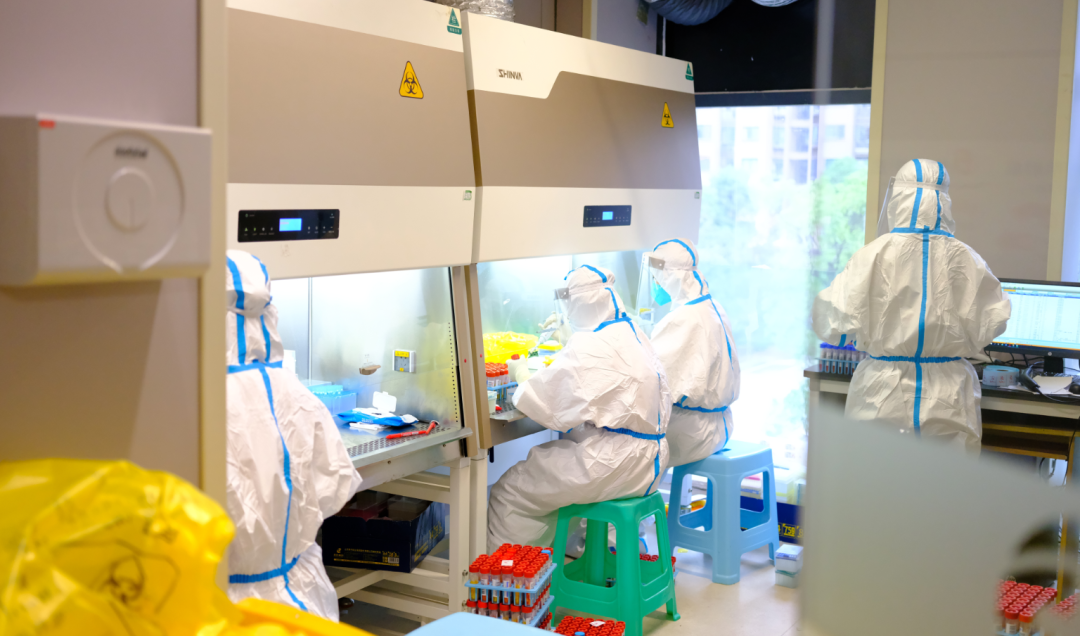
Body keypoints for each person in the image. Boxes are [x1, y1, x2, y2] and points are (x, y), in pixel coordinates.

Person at [812, 159, 1011, 452]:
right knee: (944, 479)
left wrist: (858, 335)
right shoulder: (968, 259)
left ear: (898, 199)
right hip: (949, 396)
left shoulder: (872, 255)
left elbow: (831, 321)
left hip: (882, 393)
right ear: (944, 201)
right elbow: (993, 321)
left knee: (876, 476)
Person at [487, 265, 672, 552]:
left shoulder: (589, 344)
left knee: (511, 491)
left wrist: (520, 374)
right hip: (650, 459)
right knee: (557, 478)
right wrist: (568, 341)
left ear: (577, 303)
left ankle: (512, 574)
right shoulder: (632, 332)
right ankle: (594, 557)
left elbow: (545, 403)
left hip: (611, 463)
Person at [225, 250, 362, 620]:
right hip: (300, 593)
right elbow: (335, 489)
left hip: (220, 605)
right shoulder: (294, 391)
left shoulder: (188, 399)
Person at [636, 238, 740, 466]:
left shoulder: (685, 318)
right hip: (719, 425)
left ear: (668, 277)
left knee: (621, 443)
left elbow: (655, 380)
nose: (655, 284)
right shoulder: (712, 307)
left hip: (690, 433)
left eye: (656, 278)